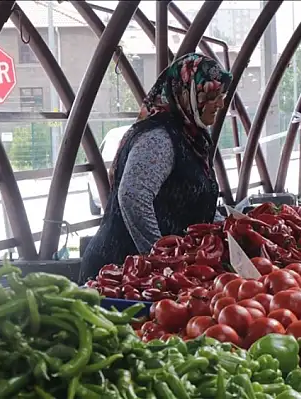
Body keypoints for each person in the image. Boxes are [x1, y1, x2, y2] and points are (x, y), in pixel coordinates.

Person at [79, 53, 233, 283]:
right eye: (211, 96)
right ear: (184, 94)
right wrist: (160, 258)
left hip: (150, 275)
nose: (220, 104)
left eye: (221, 95)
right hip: (120, 273)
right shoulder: (159, 138)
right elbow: (133, 197)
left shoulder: (191, 136)